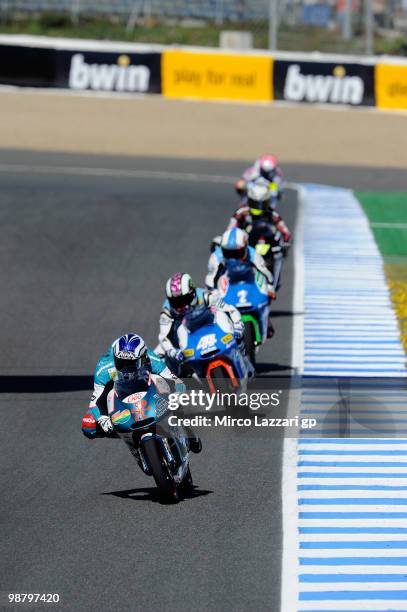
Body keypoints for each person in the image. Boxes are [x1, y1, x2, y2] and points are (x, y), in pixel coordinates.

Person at [81, 333, 201, 452]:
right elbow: (95, 401)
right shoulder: (104, 368)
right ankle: (130, 440)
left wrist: (178, 393)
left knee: (168, 390)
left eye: (131, 363)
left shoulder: (151, 358)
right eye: (121, 362)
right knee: (88, 424)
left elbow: (174, 380)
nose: (126, 367)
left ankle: (186, 428)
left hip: (147, 390)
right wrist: (102, 419)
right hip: (119, 399)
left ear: (143, 358)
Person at [157, 272, 245, 370]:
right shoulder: (167, 310)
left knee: (226, 321)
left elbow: (229, 309)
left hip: (209, 329)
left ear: (193, 293)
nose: (180, 306)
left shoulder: (205, 296)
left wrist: (237, 324)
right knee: (157, 357)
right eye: (175, 302)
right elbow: (163, 336)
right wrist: (172, 351)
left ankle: (243, 358)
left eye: (184, 300)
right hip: (183, 339)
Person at [205, 228, 276, 337]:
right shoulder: (216, 257)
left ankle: (265, 319)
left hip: (248, 277)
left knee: (265, 295)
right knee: (213, 307)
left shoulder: (252, 254)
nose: (233, 257)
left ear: (245, 248)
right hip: (227, 278)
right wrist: (212, 294)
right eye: (229, 253)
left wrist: (270, 288)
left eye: (237, 252)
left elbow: (264, 271)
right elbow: (211, 279)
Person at [229, 177, 291, 244]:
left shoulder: (272, 214)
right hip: (247, 246)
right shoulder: (241, 213)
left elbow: (285, 232)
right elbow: (230, 230)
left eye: (262, 204)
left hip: (268, 246)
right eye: (255, 203)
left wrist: (285, 242)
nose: (258, 207)